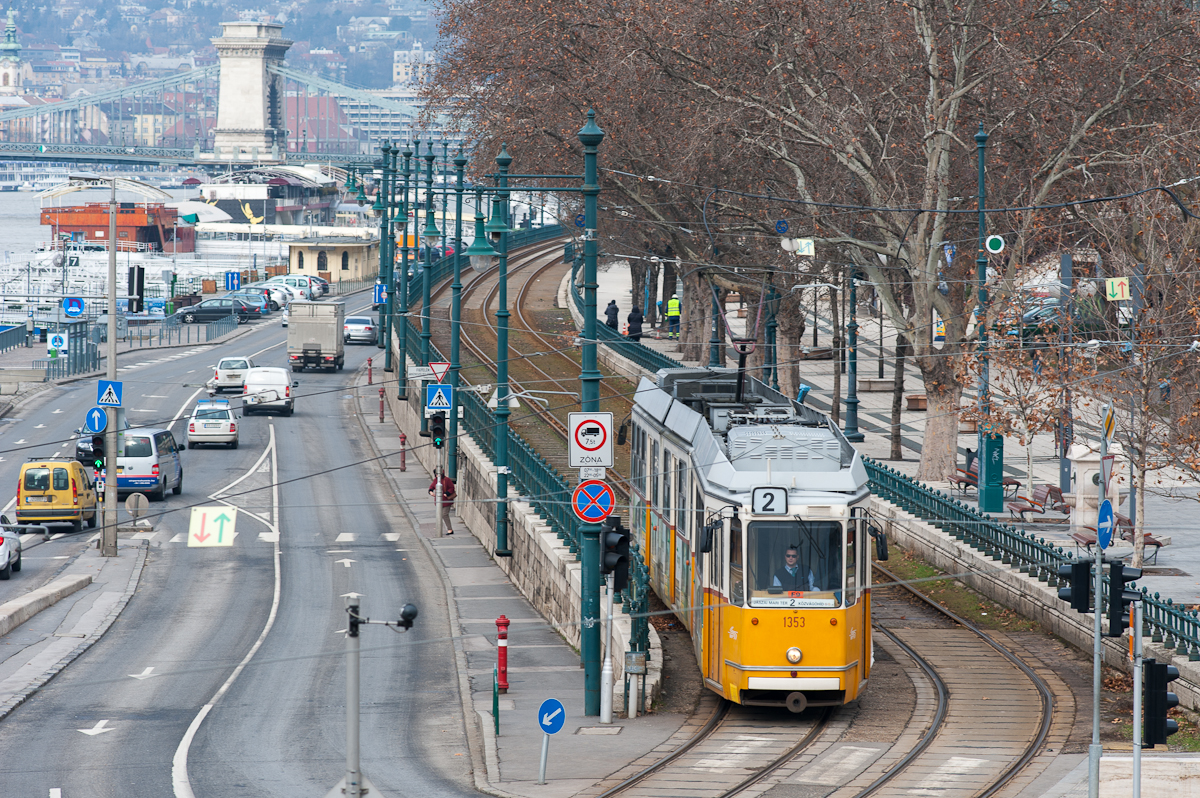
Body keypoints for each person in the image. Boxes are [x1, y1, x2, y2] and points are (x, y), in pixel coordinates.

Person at [428, 468, 457, 535]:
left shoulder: (446, 480)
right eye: (436, 474)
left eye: (439, 474)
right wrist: (430, 491)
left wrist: (447, 493)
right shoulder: (436, 480)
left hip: (446, 501)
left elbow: (451, 488)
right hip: (439, 501)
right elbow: (432, 486)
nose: (437, 475)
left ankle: (450, 529)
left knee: (444, 514)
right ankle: (440, 528)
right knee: (440, 515)